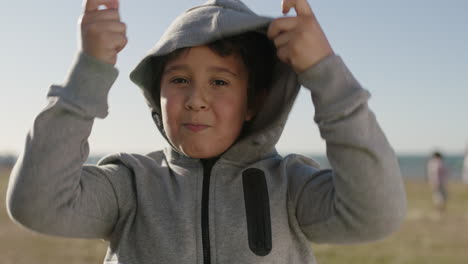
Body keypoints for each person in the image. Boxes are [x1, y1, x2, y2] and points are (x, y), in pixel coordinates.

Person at [6, 0, 406, 263]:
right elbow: (36, 203)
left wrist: (325, 73)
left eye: (219, 82)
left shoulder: (290, 187)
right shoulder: (130, 185)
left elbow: (377, 214)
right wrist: (90, 71)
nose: (196, 99)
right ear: (154, 94)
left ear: (254, 102)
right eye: (179, 80)